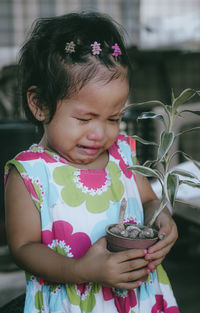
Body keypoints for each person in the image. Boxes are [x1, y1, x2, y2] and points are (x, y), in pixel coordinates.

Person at [4, 11, 179, 313]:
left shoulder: (122, 154)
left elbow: (149, 201)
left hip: (139, 299)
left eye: (114, 118)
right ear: (40, 105)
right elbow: (23, 248)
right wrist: (84, 271)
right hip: (73, 303)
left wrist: (162, 220)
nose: (100, 133)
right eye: (84, 118)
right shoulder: (31, 173)